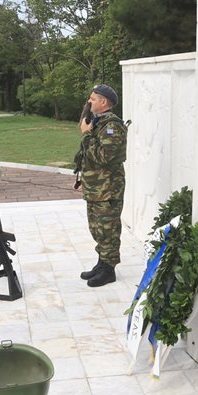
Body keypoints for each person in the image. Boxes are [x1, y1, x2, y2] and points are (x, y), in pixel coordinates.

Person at [75, 84, 128, 287]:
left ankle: (109, 269)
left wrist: (87, 134)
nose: (89, 102)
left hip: (108, 190)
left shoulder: (112, 126)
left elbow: (104, 157)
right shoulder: (98, 123)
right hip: (97, 189)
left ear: (104, 102)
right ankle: (102, 263)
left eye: (93, 99)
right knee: (97, 229)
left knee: (108, 229)